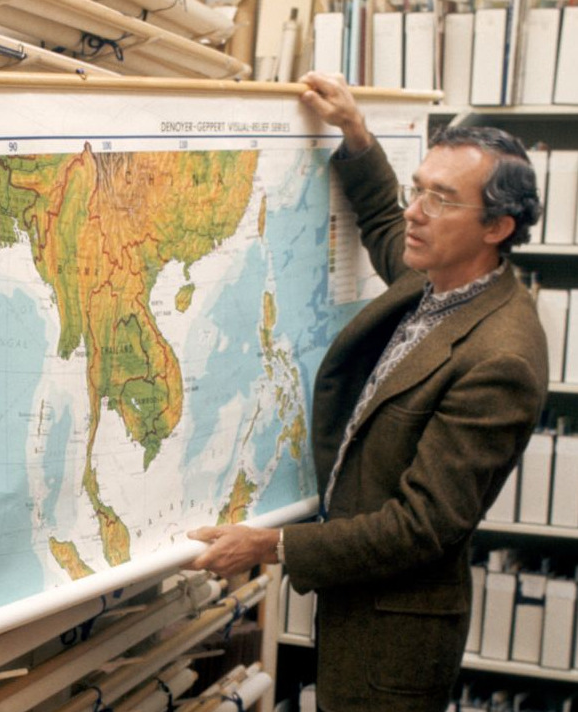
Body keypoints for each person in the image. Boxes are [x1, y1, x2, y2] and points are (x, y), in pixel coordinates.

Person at [187, 72, 549, 712]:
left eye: (441, 198)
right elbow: (384, 218)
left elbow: (421, 525)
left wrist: (272, 546)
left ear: (497, 227)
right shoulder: (435, 277)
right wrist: (355, 134)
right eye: (419, 190)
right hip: (355, 605)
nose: (416, 211)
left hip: (396, 634)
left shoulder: (503, 356)